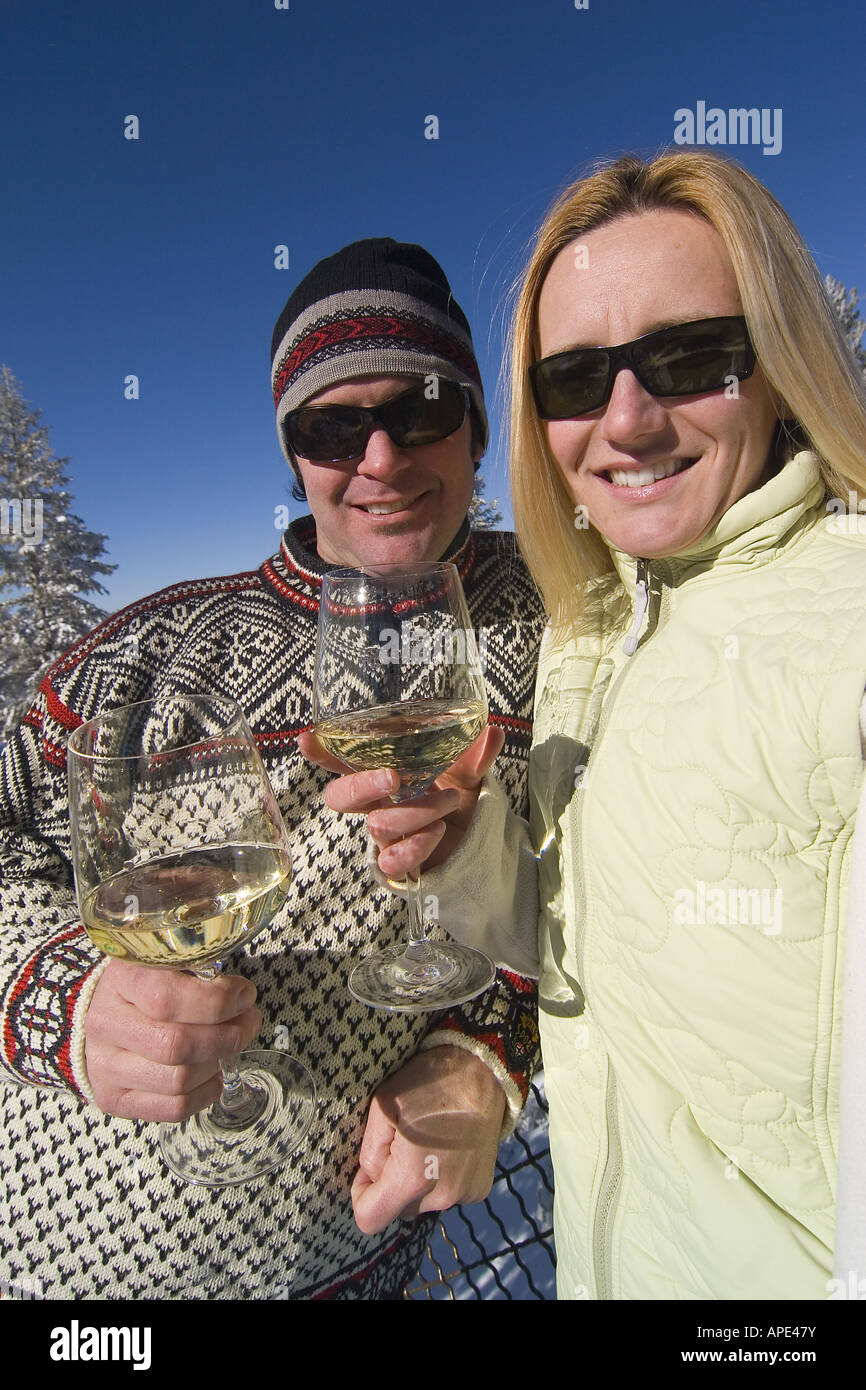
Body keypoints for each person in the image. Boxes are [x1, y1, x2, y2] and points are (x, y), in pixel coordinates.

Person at [322, 154, 866, 1300]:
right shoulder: (592, 622)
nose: (625, 415)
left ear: (775, 361)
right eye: (573, 378)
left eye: (688, 356)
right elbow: (563, 941)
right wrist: (467, 845)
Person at [0, 238, 545, 1300]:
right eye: (332, 427)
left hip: (353, 1263)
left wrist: (495, 1046)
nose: (378, 459)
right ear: (294, 455)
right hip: (61, 1268)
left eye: (422, 408)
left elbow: (632, 901)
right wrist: (58, 997)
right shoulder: (139, 659)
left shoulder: (578, 625)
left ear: (477, 427)